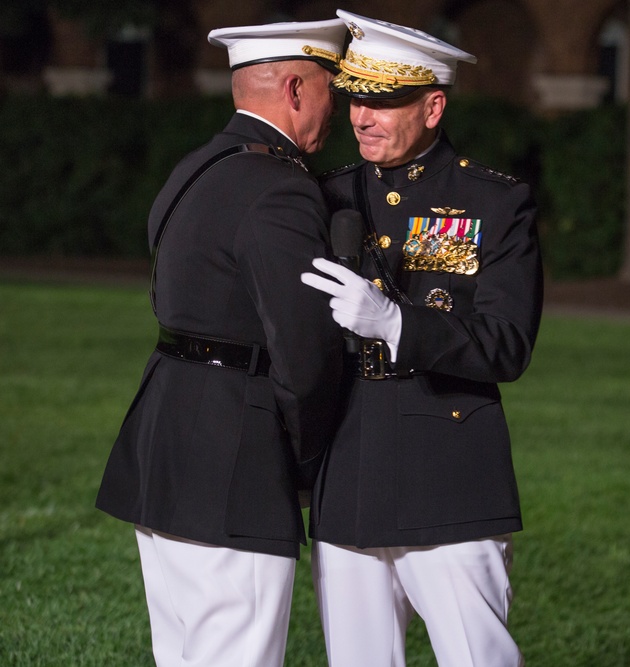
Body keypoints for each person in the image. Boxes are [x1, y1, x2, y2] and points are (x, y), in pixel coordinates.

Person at [95, 18, 347, 667]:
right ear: (295, 88)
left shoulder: (195, 168)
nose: (338, 108)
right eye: (331, 89)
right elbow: (305, 355)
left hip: (166, 443)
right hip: (234, 459)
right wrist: (312, 467)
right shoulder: (281, 189)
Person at [299, 10, 543, 667]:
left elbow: (506, 342)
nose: (362, 116)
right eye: (355, 98)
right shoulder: (327, 198)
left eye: (384, 101)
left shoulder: (490, 204)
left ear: (433, 106)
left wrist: (397, 324)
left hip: (448, 472)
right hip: (346, 470)